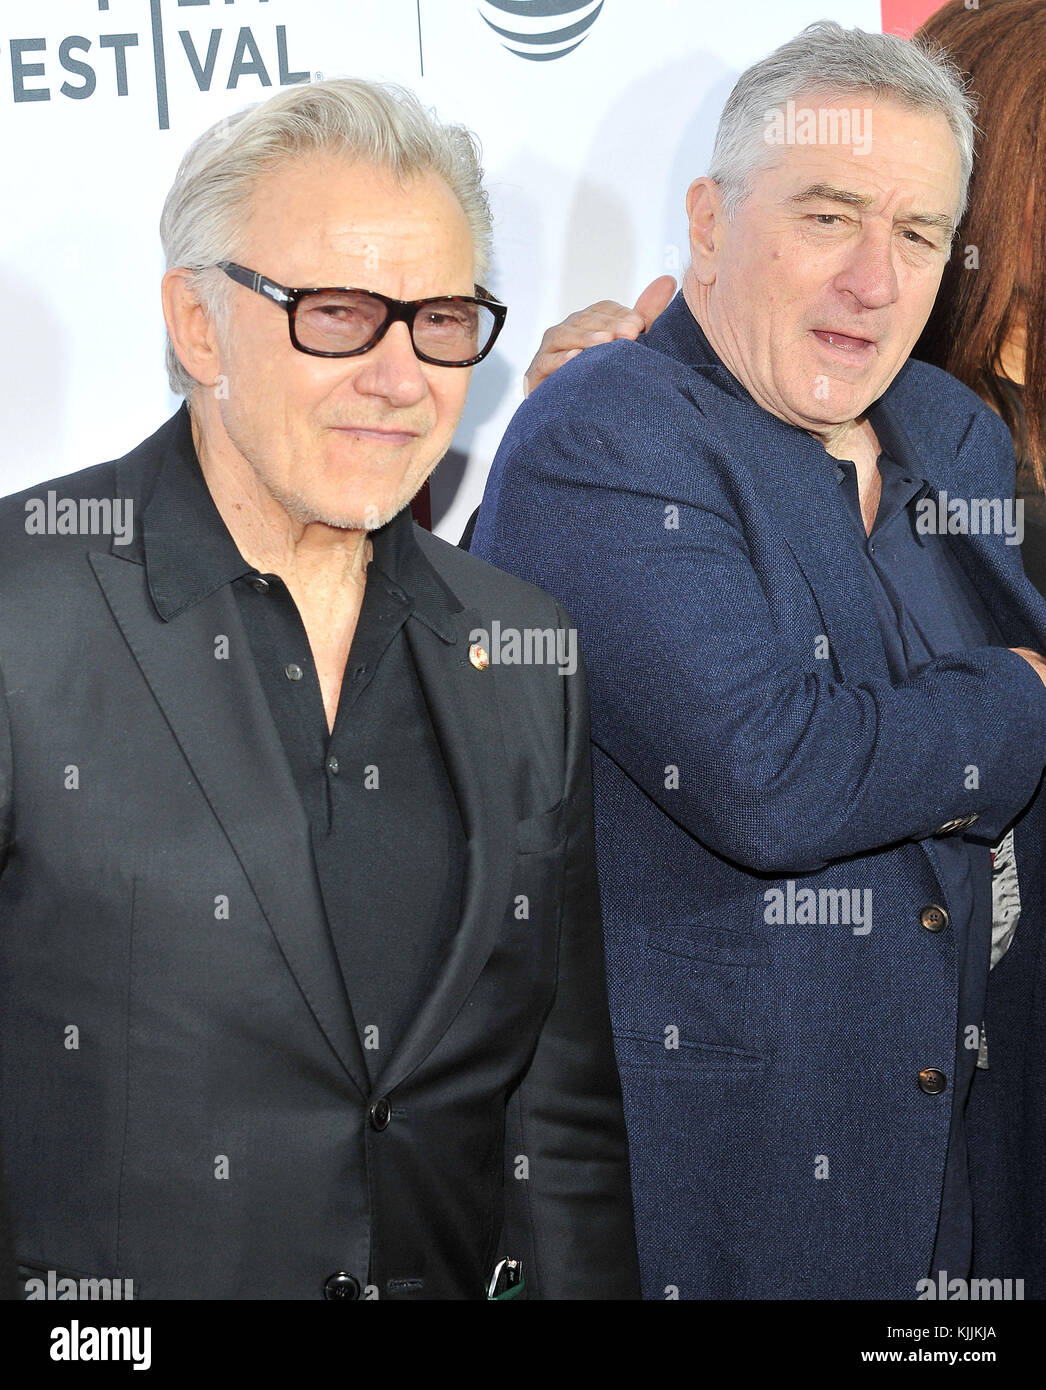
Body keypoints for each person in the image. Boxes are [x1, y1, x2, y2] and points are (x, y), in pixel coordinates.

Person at [0, 78, 640, 1301]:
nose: (401, 377)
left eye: (442, 319)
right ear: (198, 325)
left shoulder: (522, 649)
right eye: (338, 315)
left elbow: (554, 1118)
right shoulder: (22, 609)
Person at [470, 20, 1046, 1298]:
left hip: (969, 1175)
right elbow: (771, 770)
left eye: (913, 236)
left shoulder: (946, 431)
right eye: (828, 217)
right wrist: (1014, 698)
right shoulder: (603, 436)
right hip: (733, 1191)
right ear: (711, 224)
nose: (872, 282)